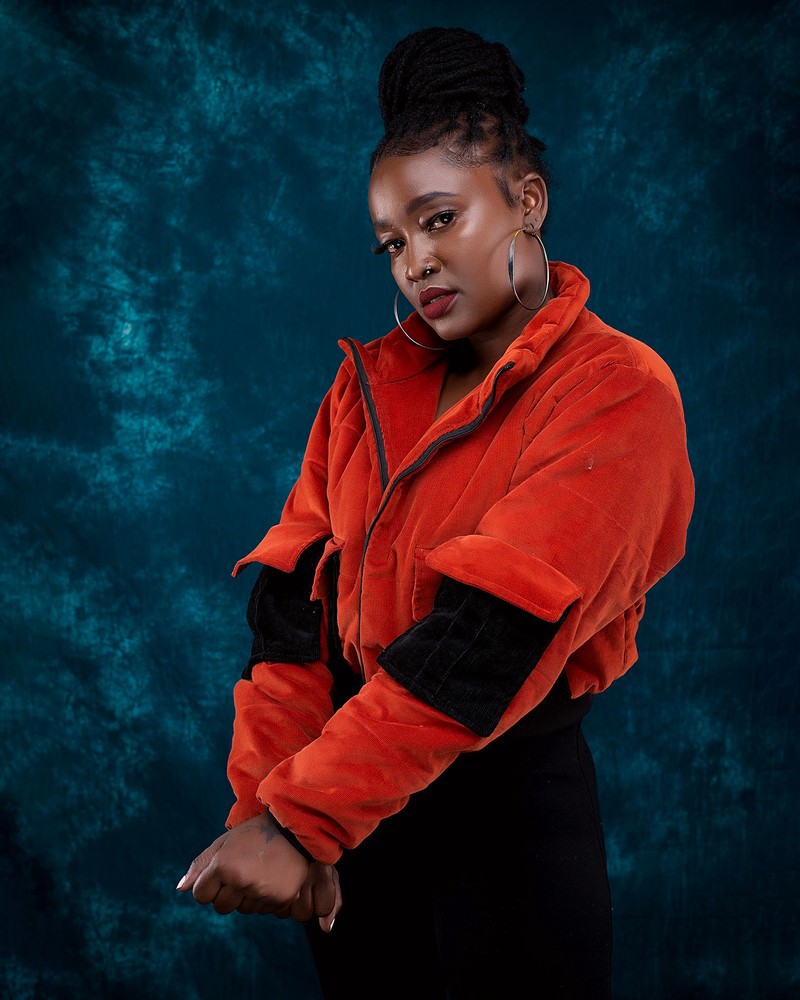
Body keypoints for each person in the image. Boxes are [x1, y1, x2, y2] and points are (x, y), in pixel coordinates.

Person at [177, 26, 694, 999]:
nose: (415, 261)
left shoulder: (617, 391)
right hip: (347, 838)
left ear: (527, 201)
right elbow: (290, 617)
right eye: (392, 242)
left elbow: (483, 644)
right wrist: (266, 815)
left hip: (506, 831)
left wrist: (297, 824)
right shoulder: (361, 390)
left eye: (439, 218)